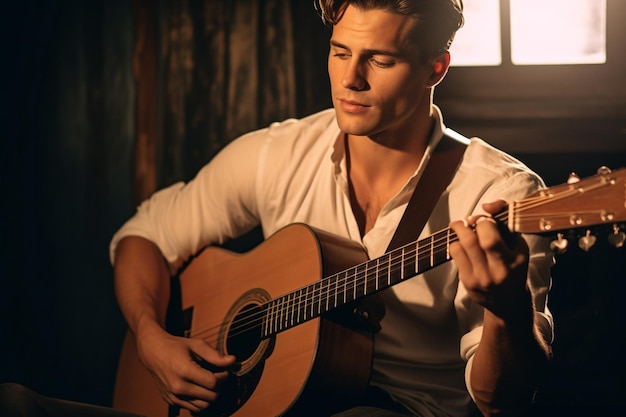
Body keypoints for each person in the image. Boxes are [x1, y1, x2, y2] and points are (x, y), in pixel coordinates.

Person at [1, 1, 554, 416]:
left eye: (379, 60)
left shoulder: (499, 195)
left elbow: (503, 404)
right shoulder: (279, 154)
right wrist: (151, 338)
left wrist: (507, 311)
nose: (350, 78)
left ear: (437, 68)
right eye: (340, 52)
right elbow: (142, 236)